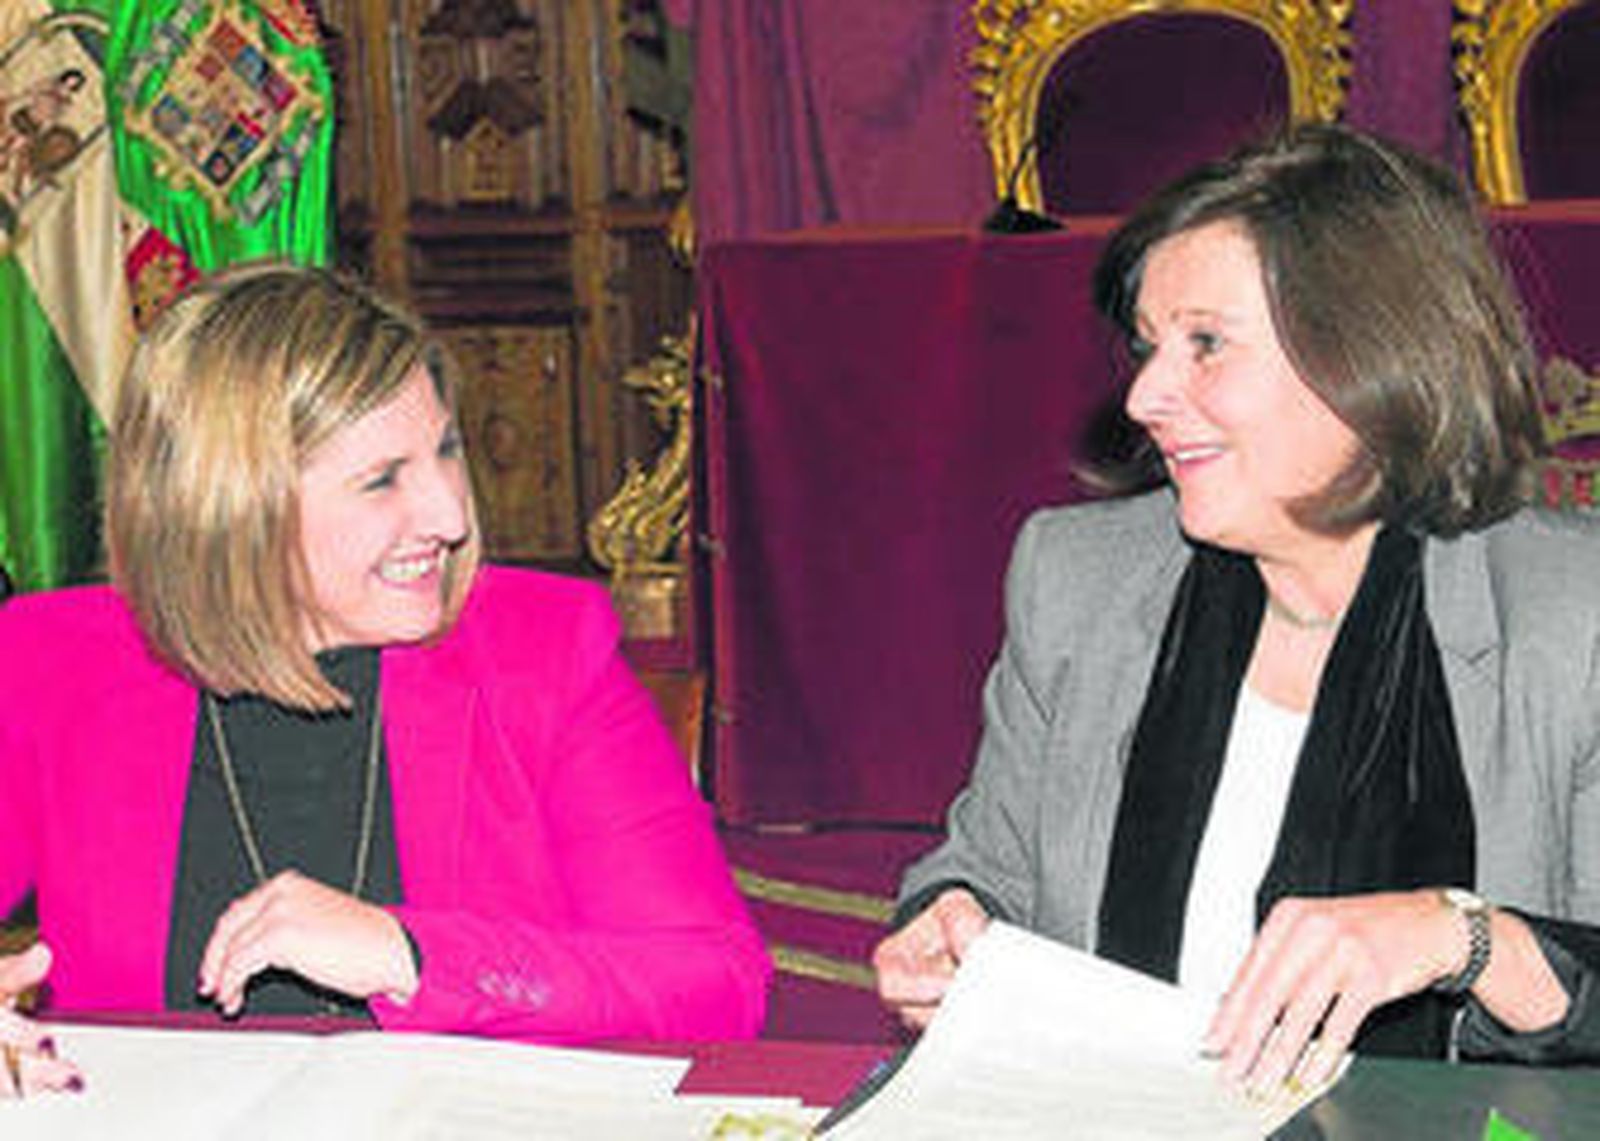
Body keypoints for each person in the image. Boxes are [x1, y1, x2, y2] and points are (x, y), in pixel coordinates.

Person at [874, 124, 1600, 1093]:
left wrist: (1460, 937)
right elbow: (983, 866)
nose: (1144, 395)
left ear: (1372, 354)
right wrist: (951, 922)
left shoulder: (1570, 618)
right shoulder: (1078, 580)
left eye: (1206, 344)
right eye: (1148, 347)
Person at [0, 263, 770, 1098]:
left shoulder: (542, 651)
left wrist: (410, 955)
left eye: (445, 451)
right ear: (230, 505)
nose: (450, 516)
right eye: (382, 479)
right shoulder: (52, 663)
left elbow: (716, 981)